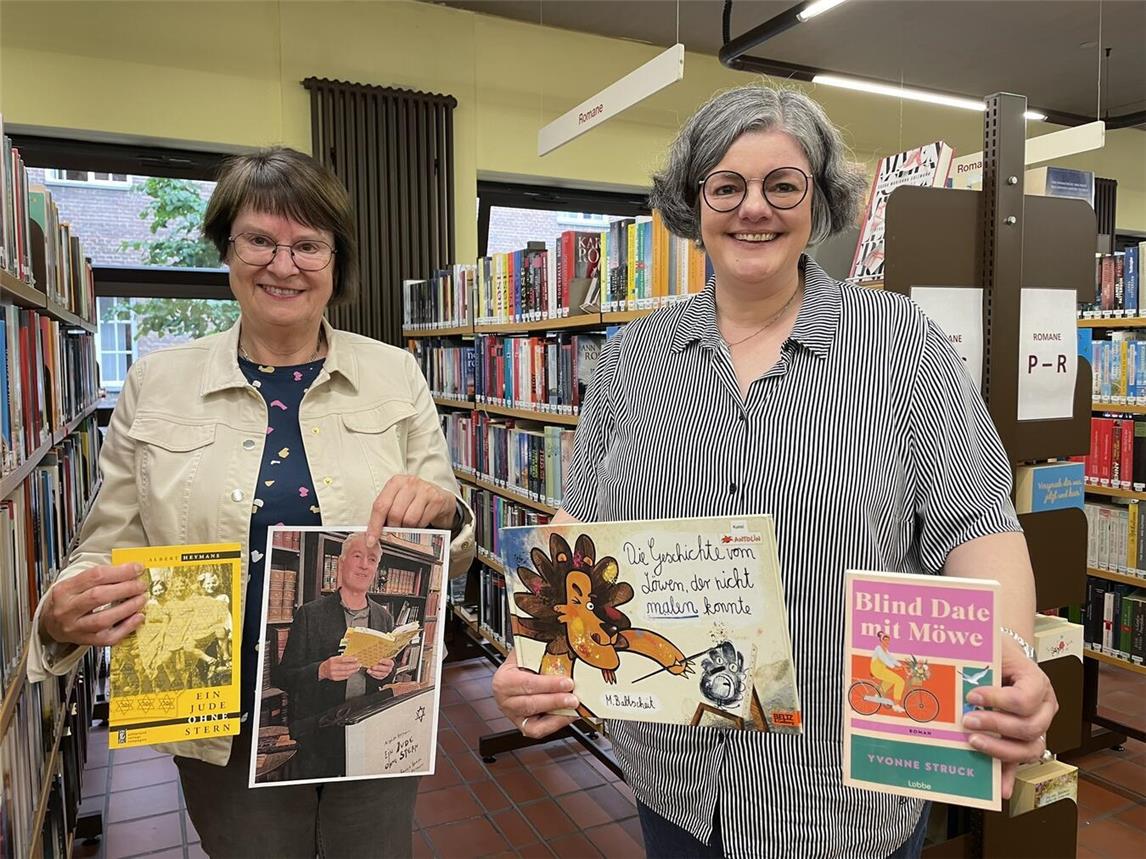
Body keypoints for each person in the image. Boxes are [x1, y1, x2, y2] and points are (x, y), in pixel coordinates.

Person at [492, 85, 1058, 859]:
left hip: (844, 793)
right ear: (694, 203)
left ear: (819, 201)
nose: (752, 207)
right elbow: (579, 530)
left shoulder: (901, 344)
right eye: (725, 185)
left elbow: (979, 521)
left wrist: (1012, 657)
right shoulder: (633, 358)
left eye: (781, 184)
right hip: (677, 780)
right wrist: (533, 653)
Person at [29, 146, 475, 859]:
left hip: (372, 703)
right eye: (260, 240)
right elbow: (100, 548)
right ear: (227, 250)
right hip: (221, 716)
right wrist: (62, 611)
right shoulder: (158, 382)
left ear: (336, 261)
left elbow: (449, 539)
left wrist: (445, 514)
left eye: (308, 244)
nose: (284, 263)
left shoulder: (395, 373)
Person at [272, 532, 400, 780]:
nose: (364, 564)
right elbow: (283, 677)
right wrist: (321, 671)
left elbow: (389, 670)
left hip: (365, 724)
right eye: (357, 556)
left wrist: (389, 670)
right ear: (341, 562)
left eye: (372, 559)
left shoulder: (383, 617)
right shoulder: (310, 614)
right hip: (319, 732)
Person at [870, 632, 906, 713]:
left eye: (888, 640)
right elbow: (884, 659)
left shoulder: (886, 650)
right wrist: (894, 668)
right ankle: (896, 705)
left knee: (891, 680)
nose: (887, 642)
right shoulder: (878, 648)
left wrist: (901, 665)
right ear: (881, 640)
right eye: (885, 640)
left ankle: (878, 695)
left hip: (882, 670)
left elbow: (891, 659)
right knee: (900, 681)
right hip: (877, 670)